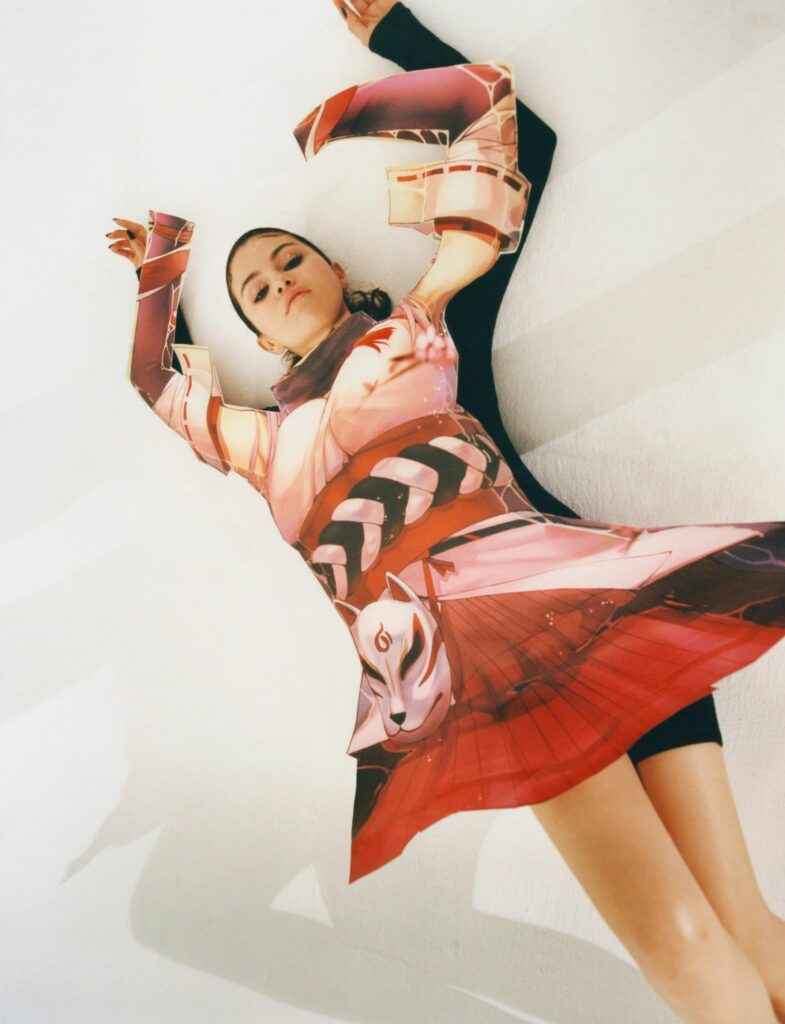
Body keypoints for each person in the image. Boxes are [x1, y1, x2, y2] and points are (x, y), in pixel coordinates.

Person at [108, 5, 785, 1020]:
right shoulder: (262, 445)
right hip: (484, 667)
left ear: (342, 272)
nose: (277, 279)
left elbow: (514, 139)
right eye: (254, 287)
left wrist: (396, 34)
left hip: (610, 609)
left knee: (727, 928)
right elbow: (156, 384)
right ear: (255, 338)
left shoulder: (429, 331)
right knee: (702, 933)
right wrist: (159, 269)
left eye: (291, 258)